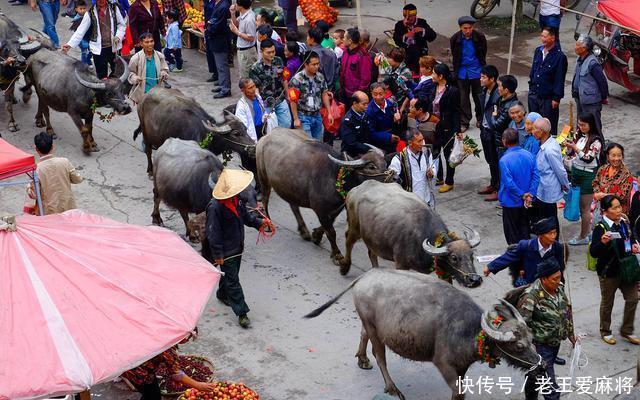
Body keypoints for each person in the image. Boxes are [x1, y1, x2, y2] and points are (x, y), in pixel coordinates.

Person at [203, 169, 269, 328]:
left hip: (238, 245)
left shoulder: (237, 200)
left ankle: (222, 294)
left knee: (230, 276)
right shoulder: (215, 207)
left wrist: (259, 223)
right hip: (226, 251)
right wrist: (218, 254)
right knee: (234, 281)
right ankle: (242, 312)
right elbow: (213, 234)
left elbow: (246, 217)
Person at [520, 257, 576, 400]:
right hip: (540, 347)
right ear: (544, 279)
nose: (558, 281)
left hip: (555, 342)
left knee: (534, 375)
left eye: (559, 277)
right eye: (554, 279)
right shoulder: (531, 296)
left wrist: (571, 334)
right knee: (551, 388)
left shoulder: (559, 288)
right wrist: (530, 350)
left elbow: (566, 311)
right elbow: (523, 326)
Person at [590, 195, 640, 345]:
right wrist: (603, 243)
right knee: (608, 303)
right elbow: (594, 251)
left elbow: (630, 239)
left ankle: (627, 330)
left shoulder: (624, 223)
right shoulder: (601, 228)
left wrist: (633, 246)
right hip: (609, 272)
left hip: (627, 270)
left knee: (633, 298)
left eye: (619, 206)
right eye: (614, 208)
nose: (619, 210)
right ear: (605, 211)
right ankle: (605, 331)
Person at [121, 332, 217, 399]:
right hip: (136, 371)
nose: (188, 340)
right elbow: (176, 374)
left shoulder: (162, 334)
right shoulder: (166, 348)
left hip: (129, 361)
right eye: (189, 337)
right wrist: (198, 385)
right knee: (152, 395)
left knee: (149, 390)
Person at [564, 112, 604, 245]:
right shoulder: (578, 135)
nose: (580, 127)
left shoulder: (596, 141)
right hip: (576, 173)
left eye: (583, 125)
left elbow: (588, 158)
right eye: (579, 124)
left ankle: (583, 235)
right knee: (576, 201)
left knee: (585, 208)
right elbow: (571, 153)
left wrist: (575, 148)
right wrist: (568, 146)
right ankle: (586, 232)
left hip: (588, 175)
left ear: (590, 125)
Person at [63, 0, 126, 80]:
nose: (101, 1)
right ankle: (104, 91)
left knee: (117, 73)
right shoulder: (90, 13)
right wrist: (69, 44)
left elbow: (121, 25)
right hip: (98, 49)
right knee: (102, 76)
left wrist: (118, 36)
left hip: (114, 47)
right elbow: (80, 31)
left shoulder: (114, 8)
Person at [498, 128, 539, 244]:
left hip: (511, 201)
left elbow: (509, 183)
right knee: (524, 229)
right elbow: (536, 177)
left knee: (512, 235)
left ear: (504, 141)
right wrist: (530, 194)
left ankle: (515, 258)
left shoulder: (504, 160)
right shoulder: (530, 155)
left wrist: (522, 194)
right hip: (527, 201)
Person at [28, 132, 83, 215]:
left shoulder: (36, 170)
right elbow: (78, 179)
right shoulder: (65, 162)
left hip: (49, 212)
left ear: (36, 149)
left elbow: (34, 195)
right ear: (52, 147)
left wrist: (28, 187)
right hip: (68, 208)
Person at [528, 27, 568, 136]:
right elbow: (533, 70)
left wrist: (556, 98)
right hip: (534, 94)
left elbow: (560, 78)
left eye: (545, 36)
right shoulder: (538, 51)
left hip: (548, 98)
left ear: (552, 38)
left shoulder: (560, 57)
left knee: (547, 126)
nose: (543, 39)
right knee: (534, 124)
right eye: (541, 36)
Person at [450, 16, 486, 133]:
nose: (468, 30)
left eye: (470, 28)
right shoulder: (455, 38)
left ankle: (480, 119)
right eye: (465, 28)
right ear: (460, 28)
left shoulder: (479, 37)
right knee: (463, 98)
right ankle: (465, 121)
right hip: (462, 72)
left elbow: (483, 51)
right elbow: (455, 56)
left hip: (477, 70)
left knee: (479, 96)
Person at [532, 117, 569, 228]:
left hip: (548, 189)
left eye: (535, 129)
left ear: (542, 132)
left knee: (550, 218)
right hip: (541, 187)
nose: (532, 131)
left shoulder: (550, 150)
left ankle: (553, 240)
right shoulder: (545, 143)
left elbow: (560, 171)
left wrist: (565, 185)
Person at [288, 51, 333, 140]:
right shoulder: (296, 79)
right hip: (303, 116)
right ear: (306, 64)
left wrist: (329, 113)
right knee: (307, 145)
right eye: (314, 64)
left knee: (318, 143)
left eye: (318, 64)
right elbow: (293, 100)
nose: (317, 66)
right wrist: (296, 119)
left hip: (317, 115)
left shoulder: (320, 77)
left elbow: (324, 94)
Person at [431, 63, 461, 194]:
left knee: (449, 154)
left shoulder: (452, 91)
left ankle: (449, 181)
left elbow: (456, 111)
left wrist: (457, 130)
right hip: (435, 125)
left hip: (448, 126)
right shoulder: (434, 87)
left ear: (441, 76)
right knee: (435, 151)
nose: (432, 76)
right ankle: (439, 177)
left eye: (433, 73)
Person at [249, 39, 291, 129]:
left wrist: (287, 96)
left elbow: (284, 79)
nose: (272, 54)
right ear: (261, 51)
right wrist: (259, 104)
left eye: (273, 51)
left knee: (286, 124)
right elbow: (255, 88)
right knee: (268, 128)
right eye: (268, 52)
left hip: (280, 99)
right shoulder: (255, 68)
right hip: (265, 103)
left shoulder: (279, 61)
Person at [572, 34, 609, 134]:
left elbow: (602, 81)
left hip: (591, 102)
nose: (575, 47)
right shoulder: (579, 59)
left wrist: (604, 97)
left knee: (594, 127)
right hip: (580, 100)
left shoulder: (592, 63)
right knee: (581, 126)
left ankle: (598, 147)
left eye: (577, 45)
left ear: (584, 48)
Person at [389, 129, 435, 207]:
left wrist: (432, 173)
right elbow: (392, 182)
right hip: (410, 204)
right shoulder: (399, 159)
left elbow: (433, 167)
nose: (422, 144)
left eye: (423, 140)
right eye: (419, 141)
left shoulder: (427, 152)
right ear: (410, 143)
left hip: (426, 199)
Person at [477, 65, 500, 198]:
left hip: (493, 131)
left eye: (483, 77)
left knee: (496, 160)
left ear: (492, 79)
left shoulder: (498, 93)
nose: (480, 79)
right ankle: (493, 183)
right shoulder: (484, 90)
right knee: (489, 159)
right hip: (484, 130)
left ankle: (498, 188)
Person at [593, 143, 635, 216]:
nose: (616, 158)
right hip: (602, 209)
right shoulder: (602, 169)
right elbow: (595, 183)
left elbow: (622, 196)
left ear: (622, 156)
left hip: (617, 213)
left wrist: (602, 196)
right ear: (608, 156)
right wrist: (597, 193)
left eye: (619, 155)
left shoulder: (627, 175)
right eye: (613, 155)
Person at [392, 3, 436, 73]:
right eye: (406, 16)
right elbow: (396, 40)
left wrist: (423, 30)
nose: (408, 18)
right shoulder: (399, 25)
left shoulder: (422, 23)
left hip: (421, 56)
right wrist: (405, 36)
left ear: (415, 15)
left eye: (411, 16)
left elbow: (433, 36)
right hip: (406, 57)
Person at [127, 32, 169, 104]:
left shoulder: (160, 56)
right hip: (142, 93)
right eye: (146, 42)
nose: (150, 44)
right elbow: (130, 73)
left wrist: (163, 73)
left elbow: (164, 68)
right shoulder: (135, 58)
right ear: (141, 44)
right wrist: (135, 78)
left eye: (151, 41)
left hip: (157, 92)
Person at [235, 77, 277, 143]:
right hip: (254, 134)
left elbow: (263, 112)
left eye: (254, 86)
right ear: (242, 90)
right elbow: (243, 127)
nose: (253, 89)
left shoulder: (258, 97)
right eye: (250, 88)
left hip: (263, 130)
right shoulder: (241, 107)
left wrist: (265, 117)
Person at [339, 28, 371, 108]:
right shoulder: (345, 52)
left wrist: (358, 94)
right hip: (345, 92)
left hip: (355, 96)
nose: (342, 40)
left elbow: (365, 79)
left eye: (344, 37)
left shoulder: (363, 56)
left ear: (350, 41)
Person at [490, 75, 519, 162]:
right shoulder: (501, 98)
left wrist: (493, 114)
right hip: (497, 140)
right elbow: (494, 105)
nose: (498, 88)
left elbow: (496, 124)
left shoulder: (511, 106)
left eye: (499, 86)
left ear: (506, 90)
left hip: (503, 144)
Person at [206, 0, 232, 99]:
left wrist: (209, 27)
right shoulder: (219, 4)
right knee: (219, 65)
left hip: (220, 39)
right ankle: (222, 85)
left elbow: (217, 25)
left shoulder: (223, 6)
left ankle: (225, 89)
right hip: (216, 39)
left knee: (222, 65)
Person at [366, 83, 401, 153]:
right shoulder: (369, 110)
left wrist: (397, 114)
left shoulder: (390, 104)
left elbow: (396, 110)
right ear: (371, 94)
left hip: (394, 137)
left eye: (380, 94)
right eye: (375, 94)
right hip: (379, 143)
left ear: (385, 93)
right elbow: (371, 132)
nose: (378, 97)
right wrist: (388, 137)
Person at [229, 0, 257, 79]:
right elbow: (236, 23)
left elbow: (251, 38)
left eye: (236, 3)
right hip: (242, 51)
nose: (235, 5)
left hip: (247, 52)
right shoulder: (243, 13)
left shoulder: (249, 19)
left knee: (246, 78)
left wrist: (237, 32)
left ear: (241, 6)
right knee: (243, 75)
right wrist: (232, 13)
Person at [340, 91, 372, 158]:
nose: (367, 106)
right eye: (364, 104)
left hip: (365, 152)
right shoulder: (347, 121)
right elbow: (351, 143)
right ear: (355, 103)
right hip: (351, 155)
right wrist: (369, 149)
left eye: (367, 104)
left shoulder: (365, 115)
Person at [306, 27, 338, 91]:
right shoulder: (331, 53)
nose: (306, 38)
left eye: (308, 36)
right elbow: (337, 70)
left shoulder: (310, 55)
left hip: (319, 89)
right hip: (331, 87)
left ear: (312, 39)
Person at [69, 0, 91, 65]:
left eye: (84, 8)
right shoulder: (76, 19)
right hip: (81, 40)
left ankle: (88, 61)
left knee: (91, 51)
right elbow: (76, 33)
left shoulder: (88, 16)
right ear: (76, 9)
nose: (82, 10)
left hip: (88, 37)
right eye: (80, 9)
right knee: (84, 52)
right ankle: (84, 65)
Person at [203, 0, 218, 84]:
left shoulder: (217, 2)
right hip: (207, 27)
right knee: (209, 52)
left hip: (214, 28)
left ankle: (219, 74)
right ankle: (214, 73)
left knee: (215, 52)